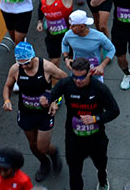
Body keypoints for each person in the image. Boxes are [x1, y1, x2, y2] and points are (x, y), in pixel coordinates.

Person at [43, 57, 121, 190]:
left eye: (82, 77)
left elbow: (114, 111)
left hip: (96, 139)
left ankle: (103, 180)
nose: (77, 81)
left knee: (101, 165)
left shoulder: (100, 89)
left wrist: (95, 118)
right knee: (74, 173)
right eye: (75, 77)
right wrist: (47, 101)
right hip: (74, 139)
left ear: (90, 73)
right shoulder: (66, 83)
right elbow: (51, 95)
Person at [3, 42, 66, 181]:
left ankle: (53, 153)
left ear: (33, 57)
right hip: (26, 112)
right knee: (33, 145)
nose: (24, 66)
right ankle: (44, 163)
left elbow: (65, 80)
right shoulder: (15, 69)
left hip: (44, 113)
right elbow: (7, 86)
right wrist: (7, 100)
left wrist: (54, 99)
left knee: (43, 147)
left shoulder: (46, 67)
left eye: (26, 63)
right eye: (21, 64)